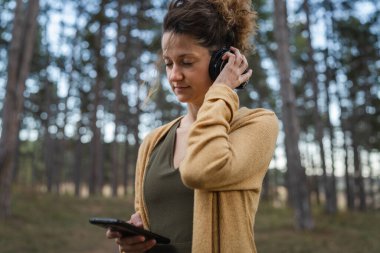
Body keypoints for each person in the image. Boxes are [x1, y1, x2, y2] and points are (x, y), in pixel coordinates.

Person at [107, 0, 279, 252]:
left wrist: (220, 91)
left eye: (186, 62)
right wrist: (133, 244)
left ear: (222, 62)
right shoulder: (154, 141)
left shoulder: (258, 125)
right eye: (168, 63)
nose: (174, 75)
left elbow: (201, 170)